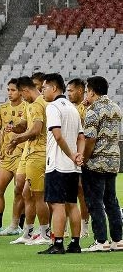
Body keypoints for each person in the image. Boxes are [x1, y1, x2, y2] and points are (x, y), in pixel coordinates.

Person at [38, 73, 84, 254]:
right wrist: (78, 155)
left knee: (57, 204)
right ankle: (75, 243)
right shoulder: (73, 108)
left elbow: (57, 135)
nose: (42, 91)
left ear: (54, 88)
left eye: (44, 88)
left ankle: (57, 243)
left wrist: (72, 154)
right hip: (73, 166)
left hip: (58, 163)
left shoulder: (53, 107)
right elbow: (81, 136)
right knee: (72, 204)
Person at [80, 76, 123, 252]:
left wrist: (85, 158)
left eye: (86, 91)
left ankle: (101, 241)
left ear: (91, 91)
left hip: (97, 162)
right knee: (111, 200)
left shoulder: (93, 111)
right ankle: (118, 240)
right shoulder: (116, 108)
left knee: (94, 201)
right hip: (113, 161)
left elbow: (90, 139)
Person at [8, 76, 51, 246]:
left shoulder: (38, 104)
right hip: (32, 153)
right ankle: (28, 233)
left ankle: (45, 234)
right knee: (26, 192)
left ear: (25, 90)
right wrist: (17, 128)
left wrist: (17, 139)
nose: (22, 98)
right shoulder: (34, 104)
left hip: (38, 153)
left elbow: (36, 129)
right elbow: (27, 125)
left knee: (38, 195)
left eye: (22, 94)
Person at [0, 78, 27, 235]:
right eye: (8, 90)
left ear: (20, 92)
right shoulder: (3, 108)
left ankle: (19, 225)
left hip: (21, 155)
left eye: (13, 90)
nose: (10, 93)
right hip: (6, 155)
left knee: (20, 191)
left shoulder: (27, 107)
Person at [66, 78, 90, 237]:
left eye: (71, 90)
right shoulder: (69, 107)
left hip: (81, 155)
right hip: (69, 154)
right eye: (67, 91)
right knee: (68, 191)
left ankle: (85, 227)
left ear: (80, 91)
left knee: (81, 191)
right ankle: (69, 226)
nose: (68, 94)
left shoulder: (86, 109)